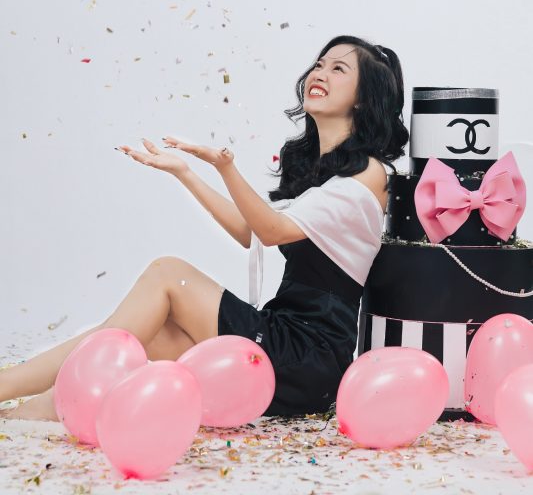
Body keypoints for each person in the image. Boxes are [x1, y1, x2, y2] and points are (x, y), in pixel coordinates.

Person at [0, 35, 409, 421]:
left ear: (363, 98)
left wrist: (225, 167)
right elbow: (248, 231)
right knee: (144, 338)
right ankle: (24, 414)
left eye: (338, 69)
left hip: (309, 356)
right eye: (319, 64)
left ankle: (6, 386)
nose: (320, 74)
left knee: (167, 273)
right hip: (282, 338)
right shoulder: (322, 172)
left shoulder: (368, 174)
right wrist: (185, 173)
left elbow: (272, 231)